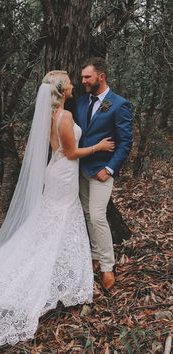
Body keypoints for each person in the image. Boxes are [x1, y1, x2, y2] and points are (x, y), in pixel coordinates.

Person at [0, 71, 115, 354]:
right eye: (68, 80)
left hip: (56, 173)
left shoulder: (50, 116)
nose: (72, 83)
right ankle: (54, 277)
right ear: (61, 89)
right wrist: (99, 146)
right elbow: (70, 153)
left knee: (54, 221)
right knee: (61, 221)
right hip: (65, 174)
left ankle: (61, 275)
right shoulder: (65, 117)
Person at [76, 57, 133, 290]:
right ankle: (95, 256)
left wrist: (109, 168)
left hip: (102, 171)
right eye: (82, 77)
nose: (83, 81)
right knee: (88, 215)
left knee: (98, 216)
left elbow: (126, 142)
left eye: (87, 77)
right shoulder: (80, 102)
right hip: (80, 170)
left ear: (101, 76)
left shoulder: (119, 104)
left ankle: (108, 267)